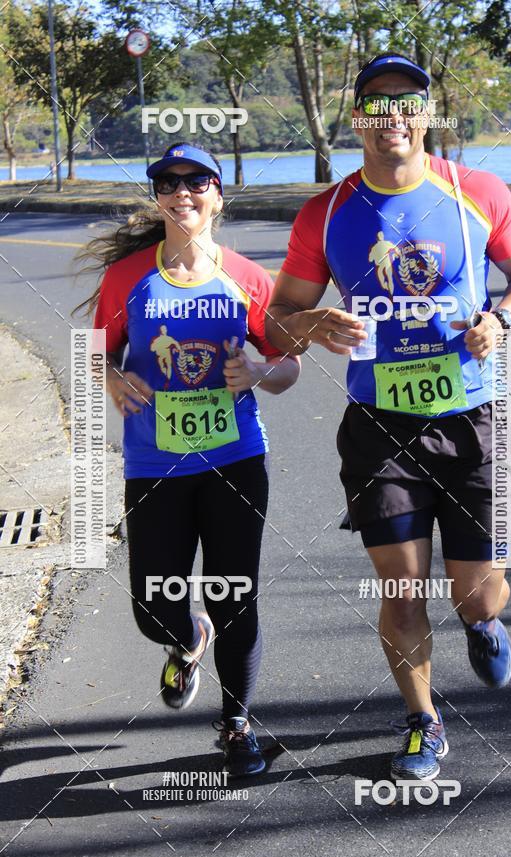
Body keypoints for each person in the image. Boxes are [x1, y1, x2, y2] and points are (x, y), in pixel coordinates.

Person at [266, 54, 511, 780]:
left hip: (474, 418)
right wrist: (314, 322)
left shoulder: (476, 191)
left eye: (407, 100)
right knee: (400, 590)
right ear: (356, 117)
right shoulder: (324, 212)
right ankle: (423, 721)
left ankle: (482, 622)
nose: (392, 115)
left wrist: (504, 321)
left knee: (478, 590)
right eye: (375, 102)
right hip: (381, 431)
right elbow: (280, 316)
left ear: (427, 113)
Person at [80, 142, 300, 777]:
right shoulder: (128, 278)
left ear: (217, 195)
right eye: (170, 183)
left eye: (197, 181)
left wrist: (260, 369)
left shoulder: (249, 278)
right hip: (154, 464)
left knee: (236, 594)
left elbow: (288, 368)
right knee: (154, 604)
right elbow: (93, 351)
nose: (183, 192)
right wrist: (112, 379)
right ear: (159, 197)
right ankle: (186, 636)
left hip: (234, 459)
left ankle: (237, 723)